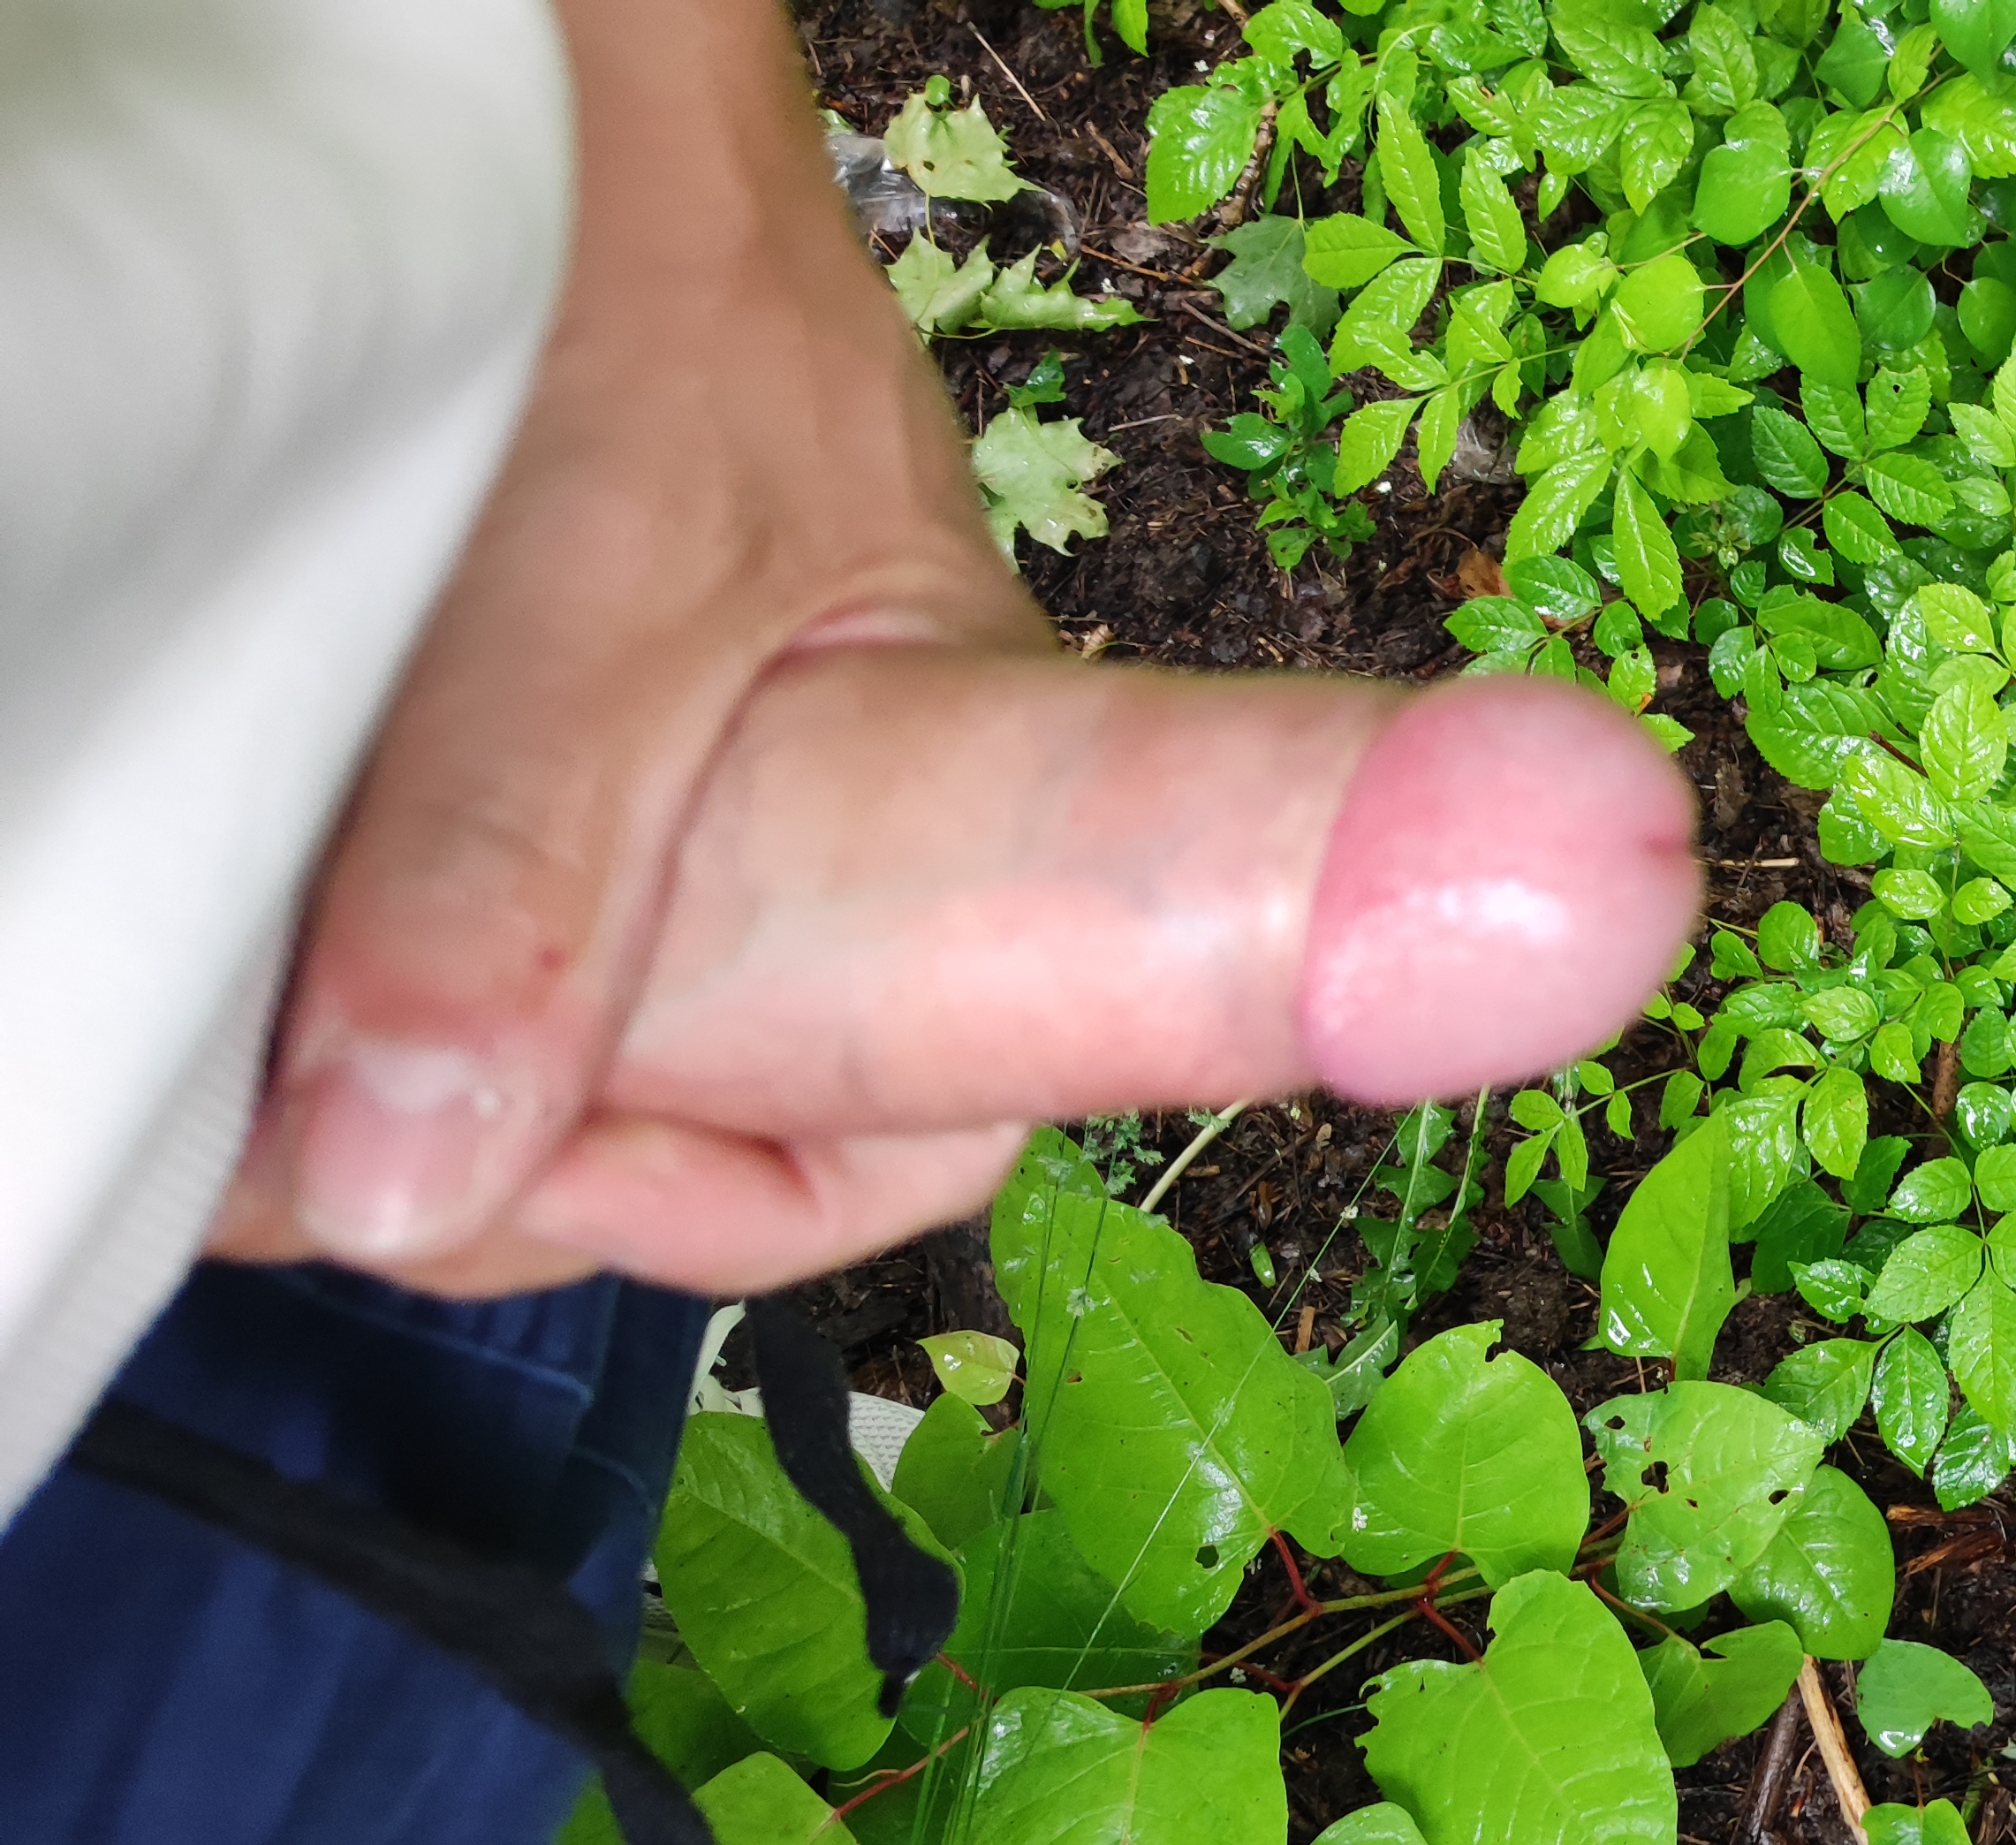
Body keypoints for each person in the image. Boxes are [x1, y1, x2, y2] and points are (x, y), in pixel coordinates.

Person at [0, 0, 1700, 1837]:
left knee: (531, 1249)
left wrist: (663, 198)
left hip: (327, 873)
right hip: (295, 1468)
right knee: (519, 1358)